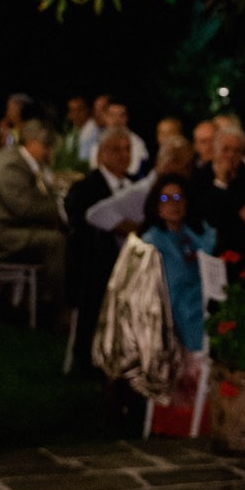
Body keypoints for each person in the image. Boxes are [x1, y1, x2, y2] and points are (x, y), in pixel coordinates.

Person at [0, 118, 67, 309]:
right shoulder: (11, 165)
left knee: (58, 236)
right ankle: (51, 305)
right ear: (31, 142)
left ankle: (48, 300)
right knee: (55, 242)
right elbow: (24, 207)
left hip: (13, 226)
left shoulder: (23, 162)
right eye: (45, 146)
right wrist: (57, 212)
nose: (48, 152)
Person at [63, 126, 140, 369]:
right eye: (116, 150)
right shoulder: (85, 188)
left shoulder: (136, 186)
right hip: (95, 263)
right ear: (101, 154)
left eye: (127, 150)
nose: (123, 155)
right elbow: (81, 230)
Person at [139, 177, 215, 352]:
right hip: (173, 317)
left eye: (178, 197)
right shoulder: (151, 242)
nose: (174, 204)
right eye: (165, 198)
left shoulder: (195, 232)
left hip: (204, 307)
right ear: (156, 206)